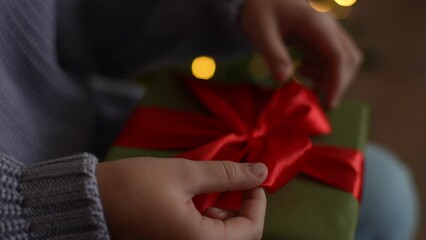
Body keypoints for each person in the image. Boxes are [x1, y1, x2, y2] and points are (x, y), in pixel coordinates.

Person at [0, 0, 418, 239]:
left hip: (84, 124)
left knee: (385, 192)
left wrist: (232, 7)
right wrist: (56, 206)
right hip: (46, 211)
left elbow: (75, 17)